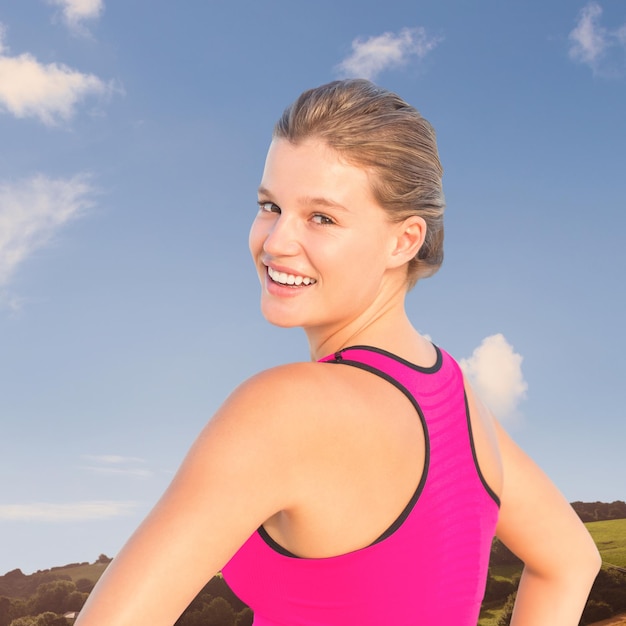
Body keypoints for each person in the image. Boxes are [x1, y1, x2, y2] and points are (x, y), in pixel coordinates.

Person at [74, 79, 600, 626]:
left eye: (321, 217)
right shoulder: (457, 399)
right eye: (270, 205)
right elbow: (570, 561)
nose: (276, 241)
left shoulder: (284, 409)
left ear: (404, 241)